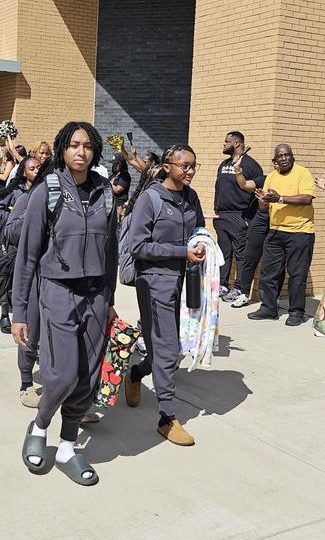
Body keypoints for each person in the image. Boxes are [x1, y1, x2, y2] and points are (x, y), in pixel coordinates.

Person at [13, 121, 117, 486]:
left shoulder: (105, 192)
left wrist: (111, 299)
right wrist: (20, 311)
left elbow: (112, 252)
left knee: (87, 378)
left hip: (96, 295)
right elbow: (27, 256)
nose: (81, 152)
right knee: (61, 375)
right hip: (57, 291)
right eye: (73, 145)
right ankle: (40, 425)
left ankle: (69, 446)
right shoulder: (49, 190)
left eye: (87, 146)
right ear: (62, 148)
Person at [123, 144, 206, 446]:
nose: (190, 171)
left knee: (165, 349)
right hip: (154, 281)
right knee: (169, 350)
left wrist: (202, 242)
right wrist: (180, 251)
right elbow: (138, 246)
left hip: (184, 280)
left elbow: (199, 227)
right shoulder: (151, 198)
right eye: (185, 166)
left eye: (194, 166)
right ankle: (166, 418)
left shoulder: (191, 197)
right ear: (168, 166)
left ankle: (136, 373)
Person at [0, 156, 43, 405]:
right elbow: (10, 231)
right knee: (30, 332)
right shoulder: (30, 198)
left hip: (64, 282)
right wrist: (34, 218)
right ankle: (26, 383)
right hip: (34, 277)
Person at [248, 144, 315, 326]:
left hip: (300, 232)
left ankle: (296, 312)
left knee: (297, 275)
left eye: (287, 155)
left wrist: (280, 198)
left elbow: (307, 198)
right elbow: (265, 207)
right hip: (275, 230)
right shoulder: (271, 176)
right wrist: (262, 200)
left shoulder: (303, 173)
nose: (284, 158)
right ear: (275, 160)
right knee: (269, 272)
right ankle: (268, 308)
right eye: (280, 155)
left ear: (292, 157)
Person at [213, 131, 265, 302]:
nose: (224, 144)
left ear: (237, 143)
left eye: (226, 141)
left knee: (241, 255)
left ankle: (239, 288)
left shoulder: (251, 165)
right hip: (222, 215)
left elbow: (257, 192)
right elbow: (218, 188)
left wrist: (248, 217)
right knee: (223, 252)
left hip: (239, 215)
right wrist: (216, 211)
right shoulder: (224, 164)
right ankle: (222, 284)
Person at [225, 159, 272, 308]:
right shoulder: (267, 178)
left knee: (272, 263)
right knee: (249, 258)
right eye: (276, 161)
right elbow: (244, 185)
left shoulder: (291, 180)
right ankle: (243, 292)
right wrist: (238, 169)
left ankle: (272, 298)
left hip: (279, 224)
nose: (278, 164)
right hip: (260, 220)